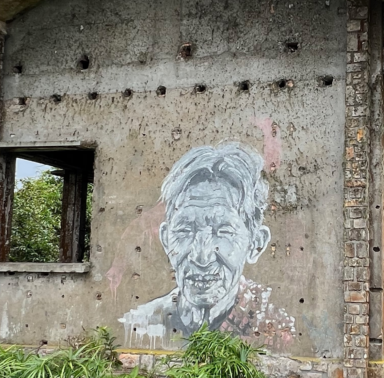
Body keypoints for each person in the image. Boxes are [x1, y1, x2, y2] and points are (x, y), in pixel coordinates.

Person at [120, 143, 294, 349]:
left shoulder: (277, 329)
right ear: (166, 240)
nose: (201, 257)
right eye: (185, 230)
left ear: (256, 244)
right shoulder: (141, 324)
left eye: (224, 232)